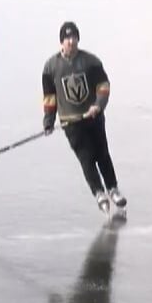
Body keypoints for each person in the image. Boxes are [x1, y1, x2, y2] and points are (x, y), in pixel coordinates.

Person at [42, 21, 127, 214]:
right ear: (61, 42)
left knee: (102, 154)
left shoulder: (91, 62)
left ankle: (112, 188)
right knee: (86, 158)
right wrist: (49, 120)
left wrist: (98, 105)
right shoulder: (50, 67)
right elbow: (50, 98)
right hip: (70, 122)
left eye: (74, 38)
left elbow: (103, 86)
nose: (71, 42)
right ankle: (98, 192)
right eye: (67, 38)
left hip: (93, 117)